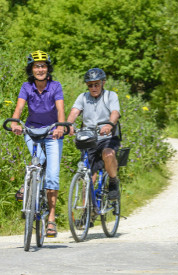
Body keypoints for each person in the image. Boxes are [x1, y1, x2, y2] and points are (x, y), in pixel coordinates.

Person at [9, 50, 66, 238]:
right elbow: (19, 108)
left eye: (43, 66)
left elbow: (60, 109)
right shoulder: (26, 86)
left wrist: (60, 127)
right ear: (31, 69)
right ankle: (29, 184)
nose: (40, 69)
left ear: (48, 69)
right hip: (32, 132)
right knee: (37, 161)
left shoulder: (55, 86)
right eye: (36, 66)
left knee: (52, 176)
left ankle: (51, 219)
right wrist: (15, 122)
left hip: (52, 133)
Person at [67, 68, 121, 200]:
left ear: (103, 83)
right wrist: (68, 124)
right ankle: (88, 212)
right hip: (89, 137)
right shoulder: (83, 97)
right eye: (90, 85)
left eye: (96, 84)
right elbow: (74, 112)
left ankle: (113, 181)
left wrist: (109, 124)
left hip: (107, 137)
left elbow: (115, 112)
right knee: (88, 174)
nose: (93, 87)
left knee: (108, 153)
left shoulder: (110, 95)